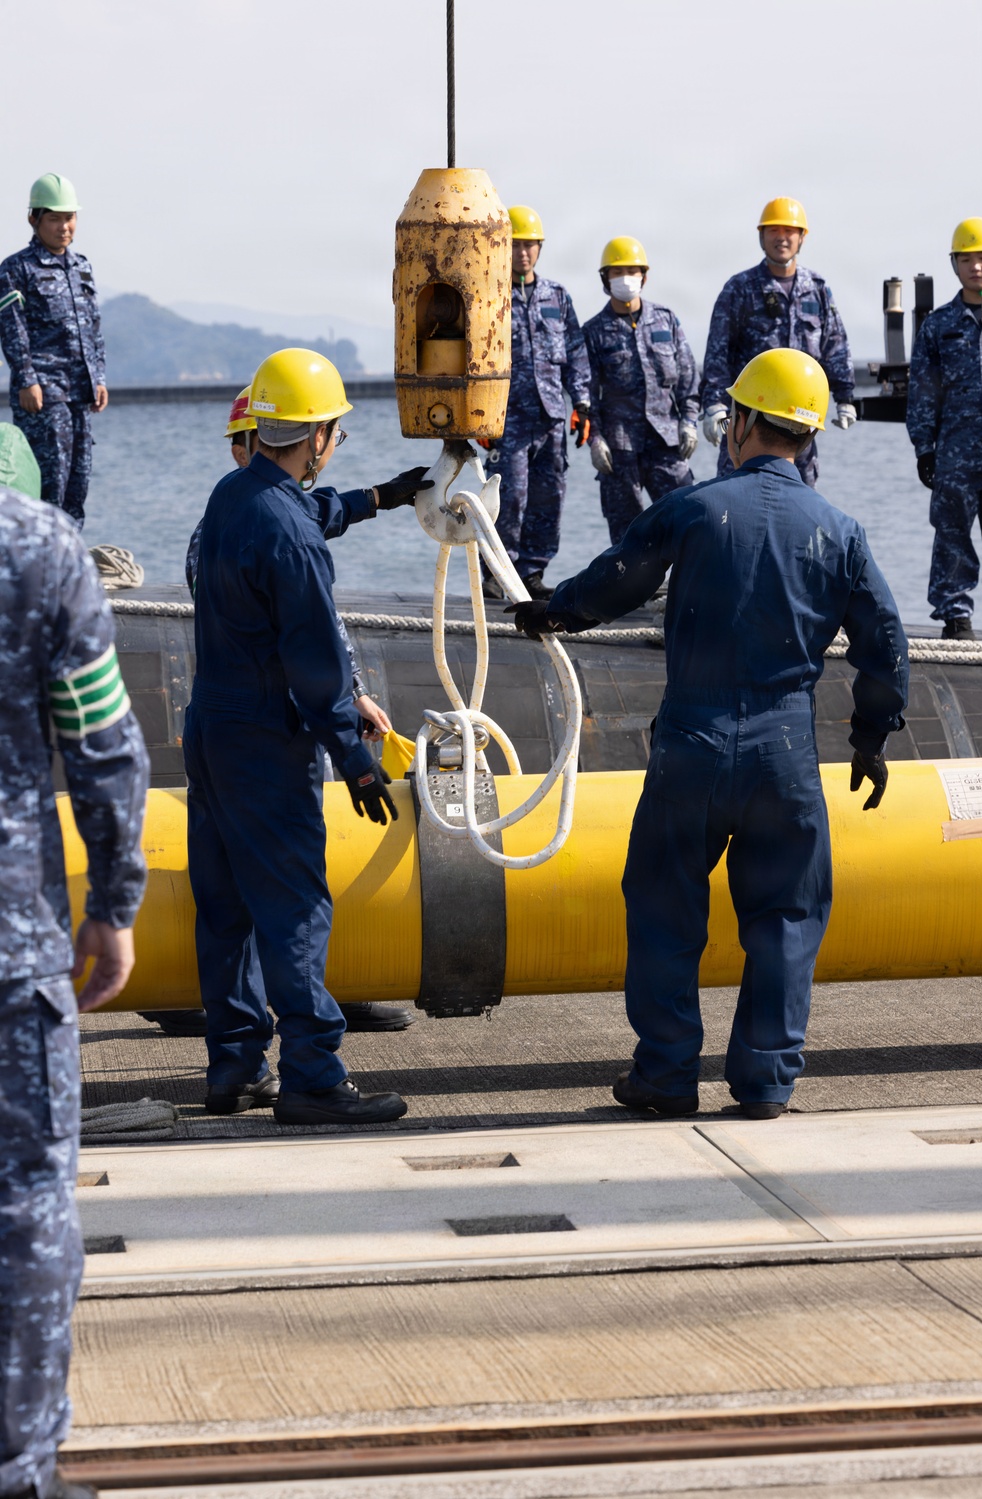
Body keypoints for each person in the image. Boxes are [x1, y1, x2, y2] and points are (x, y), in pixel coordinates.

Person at [509, 349, 908, 1120]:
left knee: (664, 905)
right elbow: (883, 640)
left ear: (747, 423)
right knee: (787, 914)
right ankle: (764, 1081)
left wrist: (549, 611)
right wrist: (870, 735)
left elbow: (617, 575)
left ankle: (664, 1074)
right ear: (809, 435)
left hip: (692, 740)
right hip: (784, 753)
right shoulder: (841, 531)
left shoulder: (695, 507)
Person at [183, 349, 430, 1124]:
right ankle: (315, 1075)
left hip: (212, 731)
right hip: (264, 740)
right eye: (335, 435)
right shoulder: (288, 533)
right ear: (316, 435)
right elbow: (320, 665)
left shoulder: (232, 496)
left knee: (225, 906)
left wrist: (380, 498)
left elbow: (301, 513)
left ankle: (235, 1067)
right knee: (294, 906)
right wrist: (355, 760)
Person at [0, 482, 148, 1499]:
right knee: (25, 1207)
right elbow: (101, 744)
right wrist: (115, 897)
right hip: (11, 946)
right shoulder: (36, 545)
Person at [700, 198, 855, 488]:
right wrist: (714, 406)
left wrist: (845, 398)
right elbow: (717, 352)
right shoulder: (739, 289)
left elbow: (835, 344)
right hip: (749, 421)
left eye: (789, 231)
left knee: (800, 507)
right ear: (761, 235)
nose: (781, 238)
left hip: (800, 423)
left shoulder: (817, 289)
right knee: (734, 501)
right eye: (773, 230)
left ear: (801, 237)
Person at [482, 205, 590, 600]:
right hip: (506, 418)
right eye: (515, 245)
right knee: (508, 498)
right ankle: (497, 573)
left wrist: (581, 403)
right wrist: (477, 420)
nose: (522, 253)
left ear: (540, 249)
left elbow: (576, 352)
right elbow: (470, 357)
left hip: (551, 418)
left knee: (549, 498)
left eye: (529, 245)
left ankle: (531, 572)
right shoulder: (486, 293)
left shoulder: (557, 297)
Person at [906, 217, 982, 640]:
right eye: (967, 259)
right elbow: (922, 393)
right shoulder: (938, 327)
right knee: (952, 539)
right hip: (955, 458)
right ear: (954, 265)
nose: (976, 267)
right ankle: (955, 616)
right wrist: (924, 449)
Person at [0, 174, 107, 529]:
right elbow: (11, 328)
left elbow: (93, 328)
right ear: (34, 219)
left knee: (78, 485)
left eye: (70, 217)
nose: (64, 227)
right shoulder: (17, 269)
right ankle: (40, 570)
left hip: (80, 393)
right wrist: (26, 379)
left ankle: (69, 564)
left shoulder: (82, 267)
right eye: (55, 218)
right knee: (50, 486)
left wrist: (99, 378)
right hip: (43, 395)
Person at [583, 236, 699, 545]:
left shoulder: (666, 320)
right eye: (617, 272)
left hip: (666, 441)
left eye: (632, 271)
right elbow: (586, 395)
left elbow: (688, 380)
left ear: (644, 276)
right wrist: (595, 440)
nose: (626, 279)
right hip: (620, 449)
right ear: (605, 279)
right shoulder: (593, 332)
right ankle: (637, 591)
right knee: (627, 532)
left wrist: (689, 422)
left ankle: (687, 586)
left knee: (687, 516)